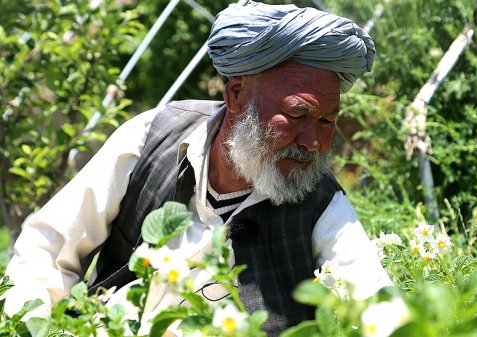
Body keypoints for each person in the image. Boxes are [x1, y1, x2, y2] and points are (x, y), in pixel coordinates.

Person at [4, 1, 391, 336]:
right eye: (296, 114)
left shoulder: (322, 201)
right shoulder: (151, 136)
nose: (314, 142)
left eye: (327, 121)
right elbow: (47, 247)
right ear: (236, 94)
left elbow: (379, 311)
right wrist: (37, 325)